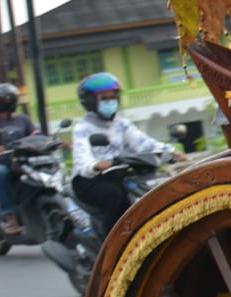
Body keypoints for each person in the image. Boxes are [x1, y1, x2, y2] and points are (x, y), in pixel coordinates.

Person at [70, 72, 181, 239]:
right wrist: (95, 165)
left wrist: (171, 151)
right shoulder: (83, 128)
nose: (110, 101)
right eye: (105, 98)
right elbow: (82, 158)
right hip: (89, 181)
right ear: (92, 102)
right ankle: (111, 247)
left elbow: (144, 143)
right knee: (114, 195)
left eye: (113, 97)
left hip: (118, 174)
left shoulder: (122, 124)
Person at [0, 82, 39, 233]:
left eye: (2, 100)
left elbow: (37, 137)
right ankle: (10, 218)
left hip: (23, 161)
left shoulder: (24, 120)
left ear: (12, 100)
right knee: (0, 173)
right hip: (1, 162)